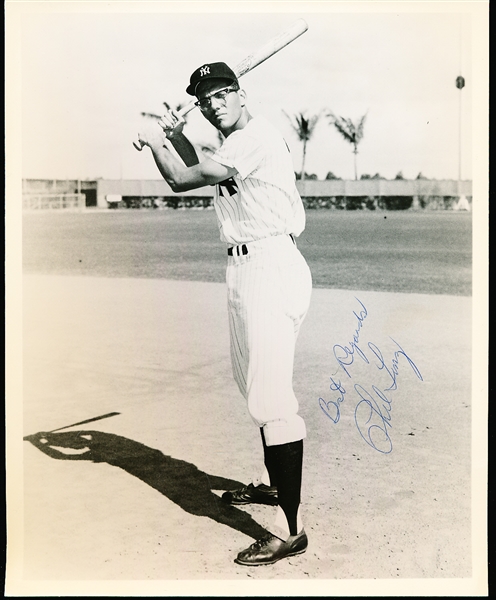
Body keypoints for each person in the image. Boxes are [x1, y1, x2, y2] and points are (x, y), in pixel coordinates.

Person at [137, 62, 313, 566]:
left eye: (222, 93)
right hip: (246, 269)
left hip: (271, 266)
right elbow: (204, 165)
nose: (214, 103)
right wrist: (176, 135)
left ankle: (289, 529)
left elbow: (180, 179)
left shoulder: (256, 137)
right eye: (205, 98)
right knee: (252, 386)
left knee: (272, 399)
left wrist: (156, 139)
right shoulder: (234, 144)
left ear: (240, 93)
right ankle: (277, 490)